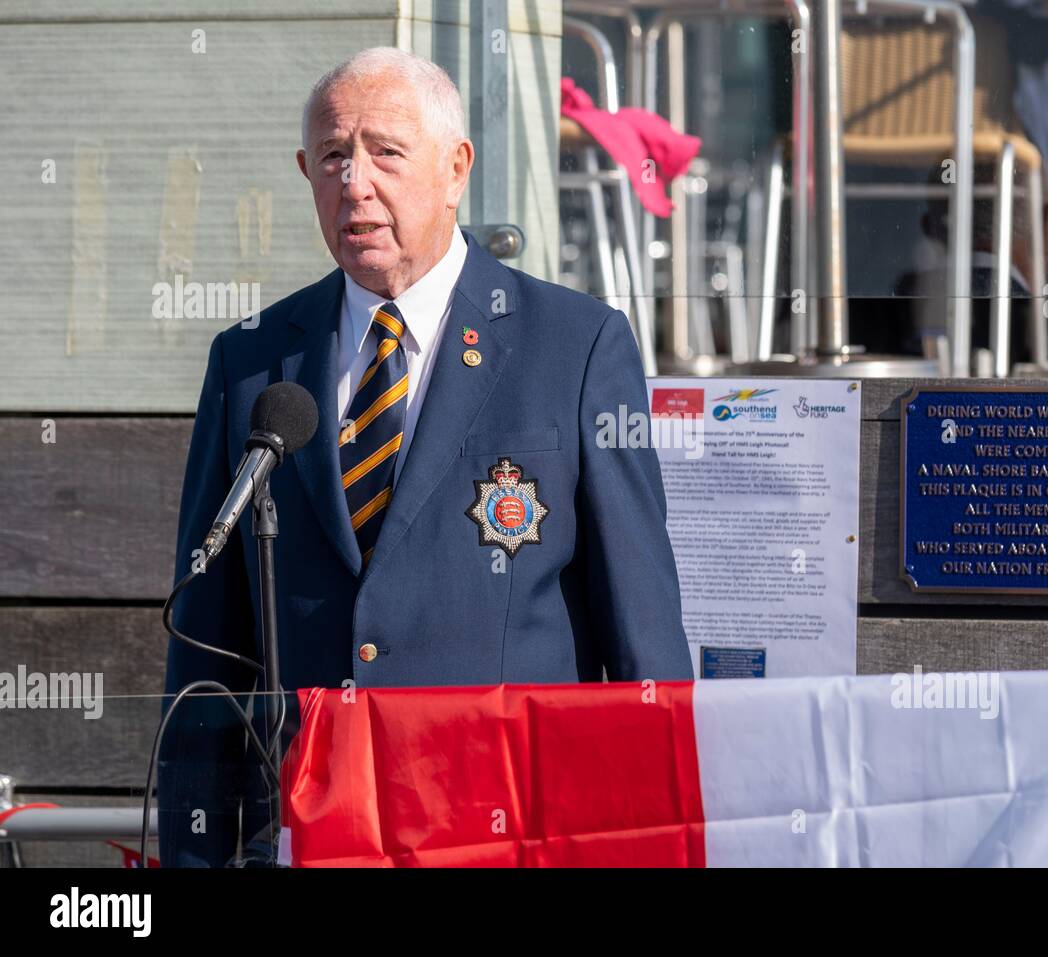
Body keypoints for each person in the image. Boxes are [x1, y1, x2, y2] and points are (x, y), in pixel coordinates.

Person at [159, 48, 693, 867]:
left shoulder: (576, 346)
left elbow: (642, 638)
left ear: (455, 169)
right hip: (310, 830)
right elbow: (207, 645)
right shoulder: (254, 361)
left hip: (506, 831)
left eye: (385, 152)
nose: (355, 182)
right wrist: (196, 850)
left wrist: (651, 840)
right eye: (333, 156)